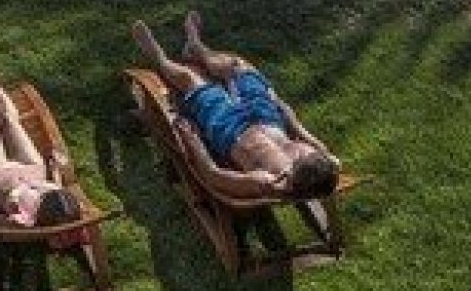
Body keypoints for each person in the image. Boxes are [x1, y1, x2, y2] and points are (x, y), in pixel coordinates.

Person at [130, 13, 341, 203]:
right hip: (267, 117)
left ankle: (158, 57)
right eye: (304, 156)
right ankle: (196, 47)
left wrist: (195, 143)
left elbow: (213, 175)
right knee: (237, 67)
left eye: (295, 167)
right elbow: (302, 133)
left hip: (229, 128)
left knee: (190, 79)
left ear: (294, 181)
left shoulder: (267, 181)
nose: (299, 156)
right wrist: (284, 110)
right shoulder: (322, 161)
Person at [0, 59, 85, 228]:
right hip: (33, 168)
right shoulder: (65, 206)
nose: (41, 194)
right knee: (11, 120)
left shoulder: (25, 221)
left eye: (43, 198)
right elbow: (57, 188)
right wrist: (55, 169)